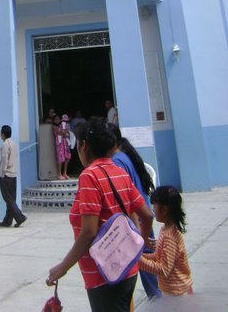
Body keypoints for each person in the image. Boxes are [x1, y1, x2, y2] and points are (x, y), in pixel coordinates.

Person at [46, 118, 153, 312]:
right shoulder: (119, 172)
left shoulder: (89, 176)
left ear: (84, 146)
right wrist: (138, 248)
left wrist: (62, 267)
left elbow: (88, 232)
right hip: (128, 268)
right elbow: (147, 216)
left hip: (102, 274)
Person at [110, 124, 159, 299]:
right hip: (140, 218)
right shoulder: (124, 156)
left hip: (136, 222)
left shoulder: (117, 162)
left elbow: (124, 197)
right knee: (149, 267)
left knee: (146, 269)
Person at [139, 185, 193, 296]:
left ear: (164, 209)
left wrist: (139, 261)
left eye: (154, 206)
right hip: (174, 289)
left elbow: (164, 269)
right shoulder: (166, 229)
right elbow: (159, 257)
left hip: (177, 292)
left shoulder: (169, 237)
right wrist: (142, 256)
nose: (152, 209)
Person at [0, 124, 27, 228]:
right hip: (14, 174)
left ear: (3, 133)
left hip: (6, 175)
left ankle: (20, 217)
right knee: (11, 199)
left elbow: (4, 160)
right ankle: (7, 221)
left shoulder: (4, 145)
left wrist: (2, 173)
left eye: (0, 132)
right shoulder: (14, 144)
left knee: (8, 199)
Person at [54, 115, 72, 180]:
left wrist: (66, 132)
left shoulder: (65, 125)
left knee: (67, 158)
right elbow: (62, 133)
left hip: (65, 143)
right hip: (60, 144)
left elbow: (68, 134)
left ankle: (64, 173)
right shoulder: (56, 126)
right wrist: (66, 131)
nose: (65, 122)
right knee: (60, 158)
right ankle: (59, 174)